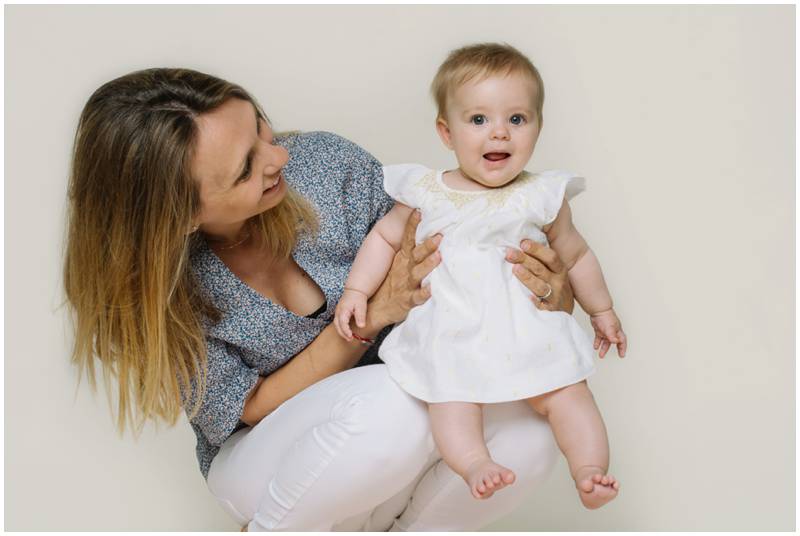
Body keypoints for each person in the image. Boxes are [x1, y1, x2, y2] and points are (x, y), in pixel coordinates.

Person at [63, 67, 577, 531]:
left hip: (419, 412)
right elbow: (251, 408)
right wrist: (372, 317)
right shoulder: (166, 288)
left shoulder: (327, 165)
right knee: (391, 401)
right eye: (246, 167)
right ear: (180, 215)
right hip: (269, 457)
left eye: (262, 128)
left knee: (531, 425)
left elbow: (464, 266)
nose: (279, 156)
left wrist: (550, 293)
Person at [334, 43, 626, 508]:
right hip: (454, 326)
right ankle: (473, 462)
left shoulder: (543, 195)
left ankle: (590, 471)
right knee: (451, 397)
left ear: (537, 127)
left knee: (569, 394)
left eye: (516, 119)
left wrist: (602, 310)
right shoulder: (427, 191)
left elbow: (576, 255)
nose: (499, 134)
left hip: (528, 328)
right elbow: (385, 239)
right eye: (478, 121)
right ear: (446, 133)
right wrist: (357, 290)